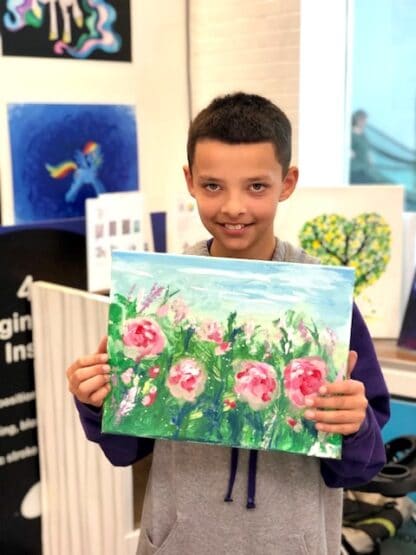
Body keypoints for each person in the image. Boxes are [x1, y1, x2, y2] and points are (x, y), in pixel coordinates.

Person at [67, 93, 390, 554]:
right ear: (190, 182)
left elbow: (359, 469)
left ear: (287, 182)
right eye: (213, 185)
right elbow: (125, 451)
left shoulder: (325, 301)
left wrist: (355, 426)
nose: (234, 207)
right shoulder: (161, 296)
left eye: (256, 186)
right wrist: (98, 402)